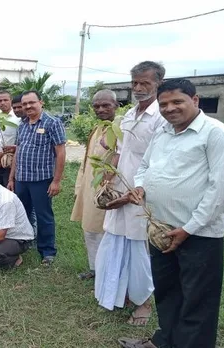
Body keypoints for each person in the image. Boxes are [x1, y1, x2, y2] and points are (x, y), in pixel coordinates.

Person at [118, 79, 224, 348]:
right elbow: (144, 166)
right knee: (168, 292)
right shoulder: (163, 131)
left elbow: (220, 189)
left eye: (177, 101)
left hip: (197, 233)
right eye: (164, 104)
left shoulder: (216, 133)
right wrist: (141, 186)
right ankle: (164, 341)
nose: (169, 109)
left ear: (195, 100)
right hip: (161, 229)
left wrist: (189, 228)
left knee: (197, 300)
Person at [94, 61, 167, 326]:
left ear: (158, 82)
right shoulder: (129, 114)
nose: (138, 88)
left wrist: (135, 192)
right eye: (134, 82)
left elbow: (160, 163)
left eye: (144, 83)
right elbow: (118, 152)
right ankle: (119, 293)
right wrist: (107, 179)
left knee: (139, 247)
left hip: (143, 192)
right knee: (115, 240)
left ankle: (144, 303)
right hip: (120, 187)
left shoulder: (162, 117)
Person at [8, 90, 66, 266]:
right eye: (25, 104)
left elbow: (61, 152)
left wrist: (56, 181)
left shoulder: (52, 123)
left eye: (31, 102)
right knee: (22, 214)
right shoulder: (23, 124)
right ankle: (24, 243)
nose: (28, 106)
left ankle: (47, 251)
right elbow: (18, 151)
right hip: (21, 179)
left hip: (41, 180)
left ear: (41, 102)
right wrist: (11, 178)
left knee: (43, 216)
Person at [70, 90, 118, 280]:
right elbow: (86, 162)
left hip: (109, 191)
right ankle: (95, 269)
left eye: (106, 105)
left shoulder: (119, 129)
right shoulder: (97, 129)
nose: (101, 109)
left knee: (105, 232)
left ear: (116, 106)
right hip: (90, 189)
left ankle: (107, 272)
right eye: (97, 106)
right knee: (90, 230)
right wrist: (79, 188)